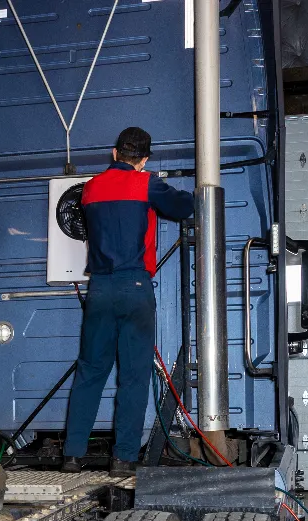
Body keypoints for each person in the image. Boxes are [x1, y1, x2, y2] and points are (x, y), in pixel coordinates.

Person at [62, 127, 195, 476]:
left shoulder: (90, 188)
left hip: (100, 289)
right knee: (133, 376)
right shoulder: (146, 183)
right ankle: (122, 459)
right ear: (144, 159)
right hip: (135, 286)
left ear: (114, 153)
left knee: (90, 372)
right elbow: (184, 207)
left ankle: (72, 455)